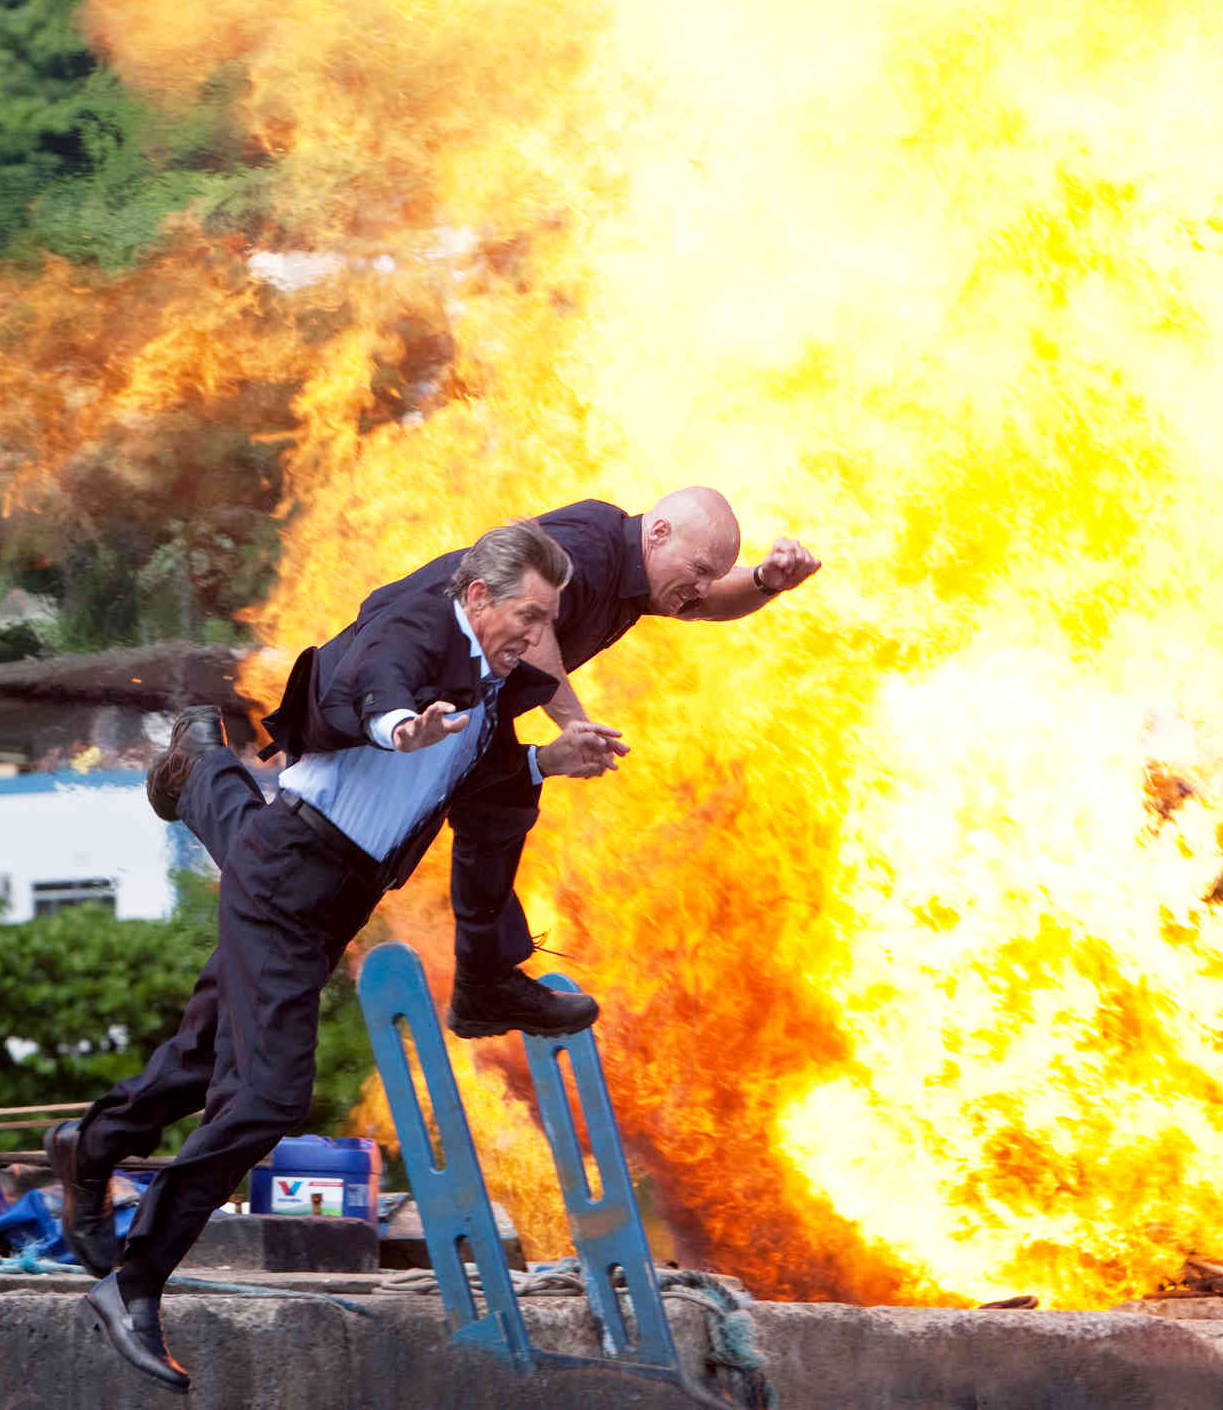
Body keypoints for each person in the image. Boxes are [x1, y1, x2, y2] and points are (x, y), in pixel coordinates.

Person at [62, 519, 623, 1390]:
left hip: (330, 894)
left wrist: (550, 757)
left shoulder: (487, 686)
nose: (541, 637)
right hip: (290, 879)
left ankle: (91, 1146)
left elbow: (468, 785)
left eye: (550, 621)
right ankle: (133, 1283)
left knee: (201, 1057)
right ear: (479, 597)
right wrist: (401, 726)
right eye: (530, 615)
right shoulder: (421, 629)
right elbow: (374, 680)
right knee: (268, 1095)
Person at [147, 486, 821, 1026]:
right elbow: (527, 627)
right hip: (399, 681)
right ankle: (204, 766)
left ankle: (483, 981)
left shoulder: (638, 580)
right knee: (300, 866)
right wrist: (573, 724)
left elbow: (706, 608)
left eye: (713, 576)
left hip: (460, 698)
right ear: (659, 535)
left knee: (485, 812)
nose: (702, 588)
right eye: (700, 572)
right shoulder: (588, 544)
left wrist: (765, 580)